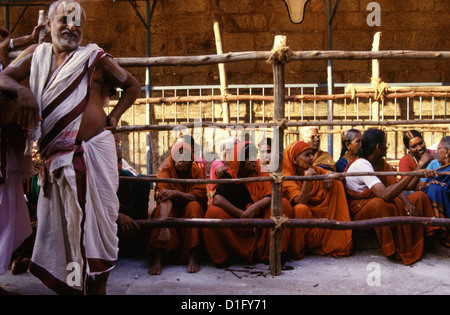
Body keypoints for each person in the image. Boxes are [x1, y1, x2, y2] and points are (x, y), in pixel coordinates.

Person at [0, 0, 141, 294]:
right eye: (64, 20)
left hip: (94, 154)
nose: (71, 27)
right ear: (49, 25)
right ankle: (74, 288)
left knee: (100, 230)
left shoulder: (95, 58)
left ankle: (97, 287)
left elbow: (132, 85)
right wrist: (23, 91)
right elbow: (3, 77)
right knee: (65, 236)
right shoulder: (35, 56)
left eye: (77, 22)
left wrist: (114, 116)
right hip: (58, 164)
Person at [344, 129, 448, 265]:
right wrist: (418, 171)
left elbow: (394, 184)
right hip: (361, 210)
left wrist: (407, 204)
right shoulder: (361, 164)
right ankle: (392, 249)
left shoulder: (380, 162)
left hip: (381, 201)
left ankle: (432, 243)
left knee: (419, 197)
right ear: (378, 147)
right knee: (378, 203)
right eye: (385, 145)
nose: (387, 148)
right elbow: (385, 194)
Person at [0, 21, 46, 295]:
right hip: (2, 156)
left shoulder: (6, 69)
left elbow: (11, 44)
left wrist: (29, 37)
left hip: (7, 153)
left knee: (9, 214)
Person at [203, 141, 293, 266]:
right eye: (247, 157)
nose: (252, 160)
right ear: (239, 160)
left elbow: (271, 193)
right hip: (240, 220)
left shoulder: (261, 169)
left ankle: (274, 253)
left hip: (260, 218)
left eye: (253, 155)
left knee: (283, 203)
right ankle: (223, 258)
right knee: (212, 212)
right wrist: (242, 214)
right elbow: (218, 199)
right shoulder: (229, 175)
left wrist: (255, 207)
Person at [282, 141, 352, 260]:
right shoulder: (287, 176)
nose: (311, 158)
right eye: (307, 155)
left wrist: (329, 175)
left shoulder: (314, 169)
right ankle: (297, 250)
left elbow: (340, 176)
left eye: (311, 154)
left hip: (320, 217)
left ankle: (336, 241)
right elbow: (300, 202)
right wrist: (307, 180)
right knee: (300, 209)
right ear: (294, 160)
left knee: (337, 184)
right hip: (303, 218)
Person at [147, 141, 207, 275]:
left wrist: (176, 193)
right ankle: (158, 258)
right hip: (170, 208)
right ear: (172, 159)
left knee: (195, 207)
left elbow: (199, 196)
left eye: (186, 157)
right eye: (178, 157)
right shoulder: (165, 172)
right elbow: (163, 198)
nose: (182, 161)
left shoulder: (196, 171)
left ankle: (193, 256)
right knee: (158, 212)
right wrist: (164, 224)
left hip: (189, 207)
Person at [422, 136, 450, 221]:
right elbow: (419, 186)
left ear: (447, 151)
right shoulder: (433, 164)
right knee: (434, 188)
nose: (436, 152)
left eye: (438, 148)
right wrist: (429, 183)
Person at [207, 136, 238, 206]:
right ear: (226, 151)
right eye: (235, 148)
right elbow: (220, 171)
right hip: (217, 200)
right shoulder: (218, 162)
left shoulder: (233, 163)